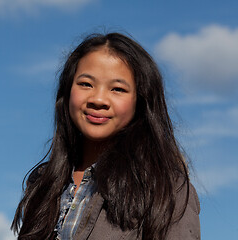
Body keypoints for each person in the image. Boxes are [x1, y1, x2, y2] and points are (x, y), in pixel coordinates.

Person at [11, 32, 200, 240]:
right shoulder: (42, 184)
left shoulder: (166, 189)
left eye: (117, 89)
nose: (99, 99)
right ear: (67, 91)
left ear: (140, 101)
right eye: (86, 84)